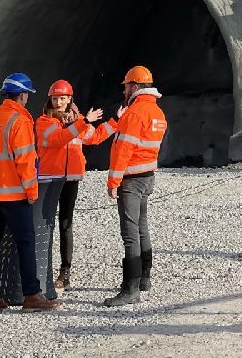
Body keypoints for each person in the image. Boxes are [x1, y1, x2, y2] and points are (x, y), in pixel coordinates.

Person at [0, 72, 60, 312]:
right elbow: (25, 161)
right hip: (13, 195)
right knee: (26, 242)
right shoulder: (19, 122)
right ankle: (32, 295)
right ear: (23, 95)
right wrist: (32, 191)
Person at [103, 65, 167, 307]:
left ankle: (131, 289)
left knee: (130, 233)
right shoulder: (158, 113)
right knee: (142, 227)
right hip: (148, 176)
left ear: (136, 86)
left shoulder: (134, 113)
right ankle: (144, 279)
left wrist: (113, 181)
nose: (125, 90)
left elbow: (123, 150)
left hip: (131, 179)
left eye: (127, 86)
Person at [34, 80, 104, 296]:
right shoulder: (44, 122)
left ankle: (65, 271)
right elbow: (58, 139)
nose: (59, 102)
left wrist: (117, 121)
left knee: (65, 223)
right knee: (45, 225)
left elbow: (96, 137)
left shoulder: (77, 121)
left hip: (70, 179)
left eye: (63, 98)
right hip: (49, 179)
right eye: (55, 98)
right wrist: (83, 122)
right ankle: (41, 270)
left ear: (69, 99)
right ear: (50, 100)